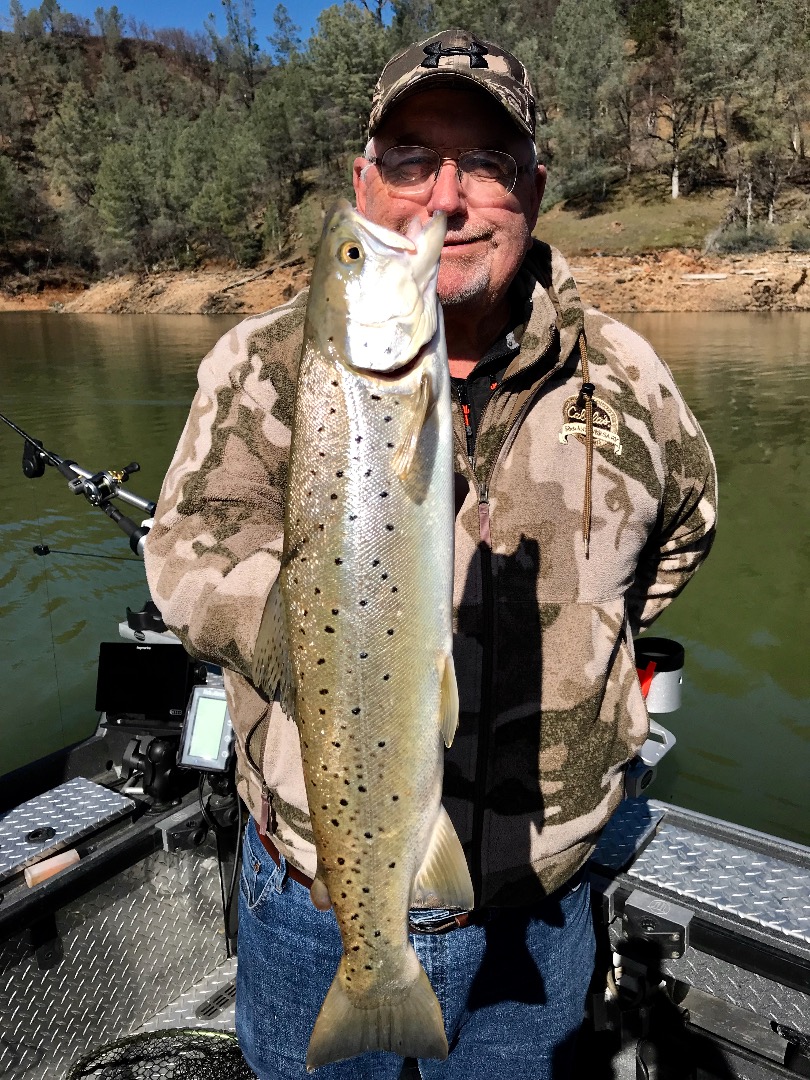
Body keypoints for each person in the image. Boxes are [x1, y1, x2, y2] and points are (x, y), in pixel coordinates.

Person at [144, 28, 717, 1080]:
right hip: (315, 906)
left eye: (486, 164)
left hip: (536, 916)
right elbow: (185, 548)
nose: (442, 198)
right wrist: (322, 639)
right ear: (366, 182)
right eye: (410, 158)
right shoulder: (260, 365)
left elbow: (681, 536)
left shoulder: (631, 380)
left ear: (533, 188)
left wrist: (581, 636)